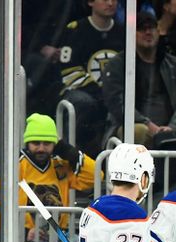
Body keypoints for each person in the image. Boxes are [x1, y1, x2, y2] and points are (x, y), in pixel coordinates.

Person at [0, 113, 95, 235]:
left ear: (55, 144)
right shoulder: (9, 165)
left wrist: (67, 150)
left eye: (47, 143)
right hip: (22, 238)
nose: (41, 148)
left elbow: (94, 177)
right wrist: (25, 232)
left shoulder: (60, 164)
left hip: (61, 235)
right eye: (36, 143)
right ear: (27, 143)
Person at [102, 11, 176, 148]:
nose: (148, 32)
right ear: (131, 33)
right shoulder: (117, 64)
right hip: (130, 126)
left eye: (152, 28)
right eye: (142, 29)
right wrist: (147, 124)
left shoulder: (174, 64)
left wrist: (172, 126)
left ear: (158, 31)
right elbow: (116, 103)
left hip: (171, 127)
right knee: (140, 132)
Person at [57, 0, 125, 155]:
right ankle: (70, 155)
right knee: (83, 102)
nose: (110, 3)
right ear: (90, 2)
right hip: (81, 92)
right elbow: (69, 72)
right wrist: (101, 93)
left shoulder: (124, 33)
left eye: (114, 0)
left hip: (113, 95)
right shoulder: (75, 30)